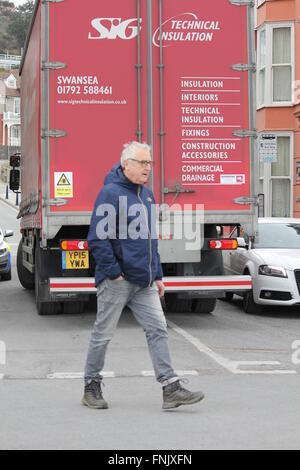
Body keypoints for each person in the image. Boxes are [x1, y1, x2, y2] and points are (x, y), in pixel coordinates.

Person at [82, 141, 204, 410]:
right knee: (103, 334)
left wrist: (157, 275)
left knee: (158, 329)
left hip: (145, 282)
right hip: (117, 281)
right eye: (143, 163)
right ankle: (91, 385)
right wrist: (114, 273)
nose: (148, 167)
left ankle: (170, 388)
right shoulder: (109, 194)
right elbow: (97, 239)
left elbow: (151, 240)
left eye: (150, 163)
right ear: (127, 164)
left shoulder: (147, 195)